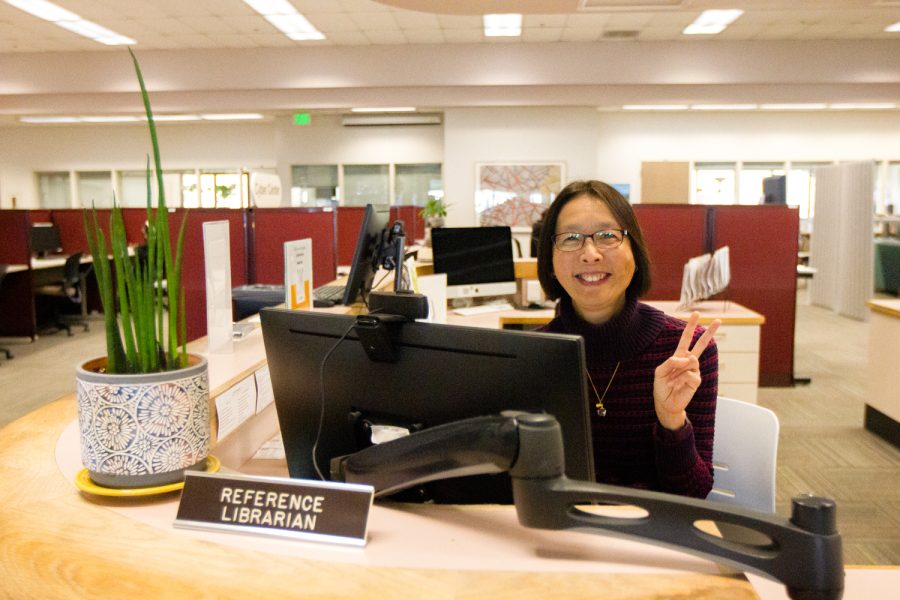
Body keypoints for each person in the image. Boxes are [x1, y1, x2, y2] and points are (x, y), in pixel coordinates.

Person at [536, 180, 720, 498]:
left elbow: (694, 494)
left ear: (634, 252)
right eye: (571, 238)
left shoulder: (684, 352)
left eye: (607, 236)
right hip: (560, 529)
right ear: (550, 262)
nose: (590, 254)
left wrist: (672, 421)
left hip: (651, 532)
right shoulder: (533, 355)